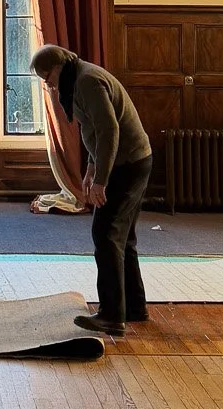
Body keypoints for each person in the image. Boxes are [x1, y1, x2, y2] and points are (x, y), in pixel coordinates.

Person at [28, 43, 151, 336]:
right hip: (132, 160)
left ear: (57, 68)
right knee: (124, 237)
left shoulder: (86, 81)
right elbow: (94, 131)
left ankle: (111, 316)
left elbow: (109, 131)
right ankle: (133, 307)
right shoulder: (79, 77)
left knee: (105, 233)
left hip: (128, 163)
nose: (50, 86)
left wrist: (101, 181)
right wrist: (92, 168)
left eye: (48, 78)